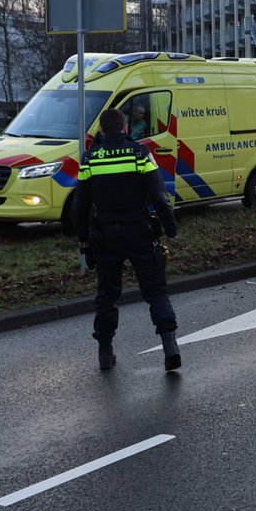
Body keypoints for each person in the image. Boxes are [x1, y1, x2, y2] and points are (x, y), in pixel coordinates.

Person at [76, 108, 180, 371]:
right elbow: (159, 195)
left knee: (107, 295)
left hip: (106, 236)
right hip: (140, 233)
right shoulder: (140, 154)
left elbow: (81, 205)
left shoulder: (89, 159)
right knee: (155, 291)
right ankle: (170, 347)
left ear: (101, 131)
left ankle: (104, 353)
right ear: (125, 128)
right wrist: (170, 229)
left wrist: (83, 241)